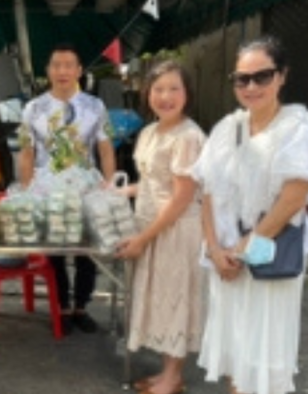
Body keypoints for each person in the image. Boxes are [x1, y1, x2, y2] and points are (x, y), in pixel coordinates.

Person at [192, 36, 308, 394]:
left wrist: (242, 248)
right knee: (234, 352)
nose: (251, 86)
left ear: (282, 76)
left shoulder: (299, 128)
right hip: (225, 259)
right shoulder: (226, 129)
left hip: (268, 257)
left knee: (263, 356)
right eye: (242, 79)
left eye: (262, 76)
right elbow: (207, 190)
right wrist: (213, 247)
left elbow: (293, 199)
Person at [116, 61, 206, 394]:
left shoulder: (189, 136)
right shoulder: (150, 131)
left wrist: (143, 237)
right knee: (160, 299)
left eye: (173, 89)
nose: (165, 96)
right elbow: (152, 182)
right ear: (147, 93)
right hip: (151, 226)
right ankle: (167, 373)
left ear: (187, 94)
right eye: (158, 89)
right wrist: (120, 191)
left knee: (175, 300)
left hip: (175, 231)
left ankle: (173, 377)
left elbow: (182, 196)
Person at [17, 43, 116, 335]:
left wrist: (110, 188)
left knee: (86, 249)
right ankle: (61, 307)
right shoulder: (33, 108)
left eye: (68, 65)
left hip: (86, 186)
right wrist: (25, 191)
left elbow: (106, 149)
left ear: (79, 70)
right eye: (56, 65)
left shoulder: (95, 107)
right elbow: (26, 153)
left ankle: (81, 307)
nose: (62, 71)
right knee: (56, 250)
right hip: (48, 189)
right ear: (48, 71)